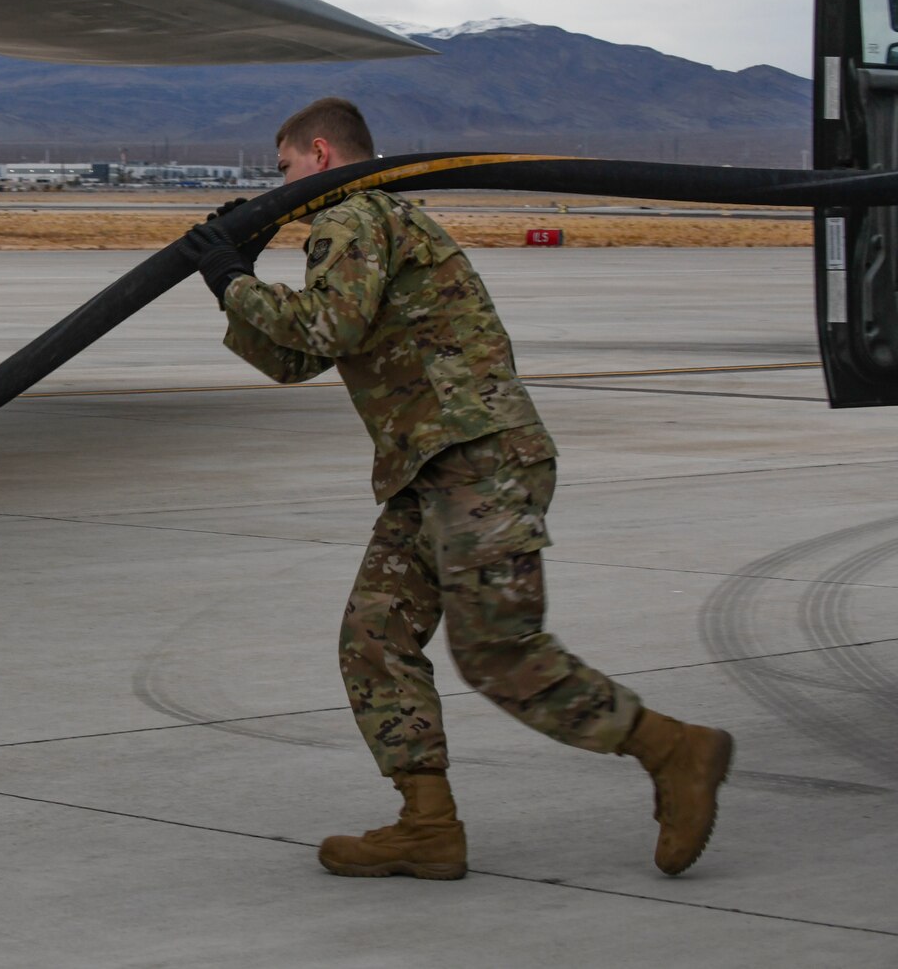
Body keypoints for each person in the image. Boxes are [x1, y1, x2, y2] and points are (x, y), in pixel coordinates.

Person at [184, 98, 732, 879]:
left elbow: (322, 331)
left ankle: (677, 750)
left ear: (320, 152)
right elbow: (295, 359)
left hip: (475, 456)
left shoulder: (352, 216)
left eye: (284, 172)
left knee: (499, 652)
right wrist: (228, 284)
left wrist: (234, 277)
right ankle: (428, 825)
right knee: (375, 636)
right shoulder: (358, 226)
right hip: (431, 467)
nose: (280, 187)